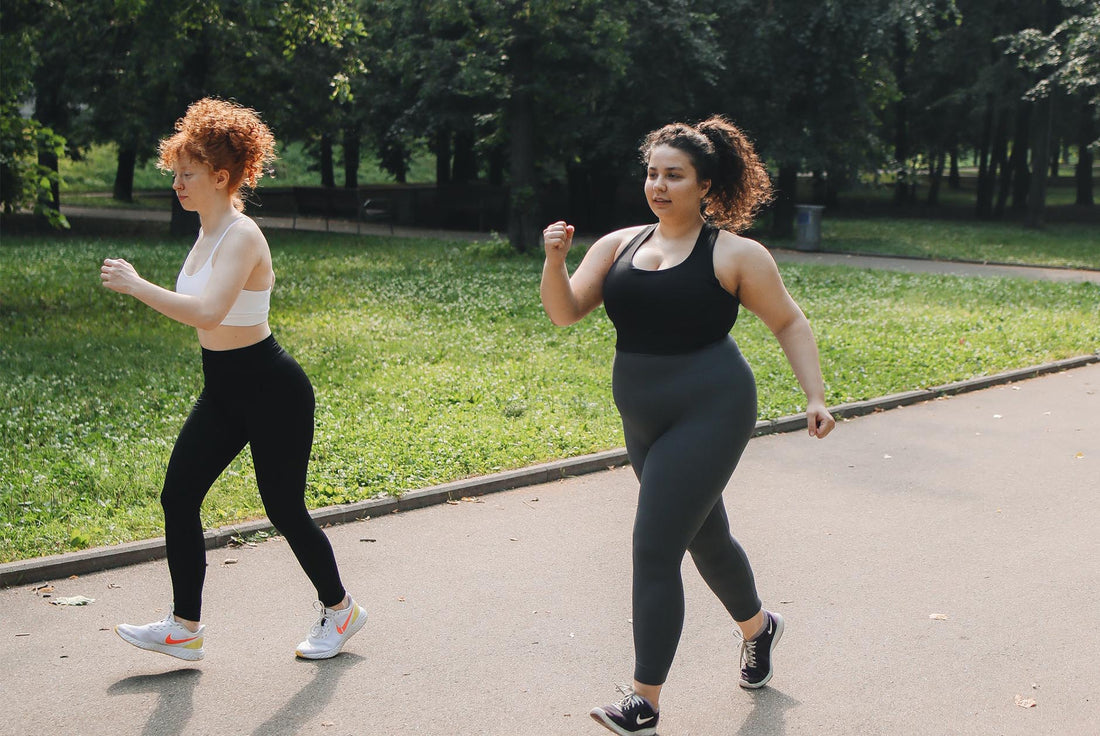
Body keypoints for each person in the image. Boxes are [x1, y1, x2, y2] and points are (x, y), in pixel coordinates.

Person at [540, 116, 835, 735]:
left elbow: (789, 322)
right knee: (707, 538)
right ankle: (760, 627)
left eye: (675, 175)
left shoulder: (734, 254)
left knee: (654, 547)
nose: (659, 185)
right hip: (643, 415)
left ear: (705, 185)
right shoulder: (617, 245)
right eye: (653, 173)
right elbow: (565, 313)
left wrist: (815, 394)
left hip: (713, 406)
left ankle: (644, 700)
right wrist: (554, 259)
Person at [101, 98, 366, 662]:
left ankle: (340, 611)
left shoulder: (242, 235)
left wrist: (136, 285)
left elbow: (209, 312)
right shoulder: (205, 232)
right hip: (223, 389)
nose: (177, 182)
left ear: (221, 177)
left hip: (272, 390)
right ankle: (184, 626)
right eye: (175, 171)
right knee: (179, 496)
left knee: (284, 509)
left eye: (187, 173)